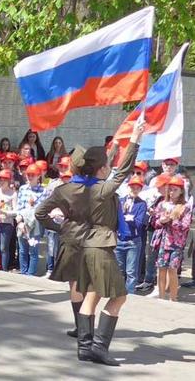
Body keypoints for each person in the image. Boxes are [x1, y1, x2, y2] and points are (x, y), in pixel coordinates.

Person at [72, 121, 143, 366]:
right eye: (107, 165)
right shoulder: (101, 189)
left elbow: (112, 167)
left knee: (91, 296)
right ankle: (99, 347)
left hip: (86, 246)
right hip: (101, 248)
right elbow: (122, 171)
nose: (110, 167)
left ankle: (84, 348)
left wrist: (111, 150)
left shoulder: (81, 186)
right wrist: (135, 139)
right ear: (102, 169)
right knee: (119, 297)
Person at [150, 176, 191, 301]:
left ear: (181, 191)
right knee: (161, 268)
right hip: (163, 241)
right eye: (170, 189)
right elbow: (155, 223)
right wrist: (161, 221)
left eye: (175, 190)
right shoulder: (162, 204)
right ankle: (162, 296)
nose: (172, 192)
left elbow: (185, 226)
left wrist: (171, 220)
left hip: (176, 243)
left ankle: (173, 298)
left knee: (172, 270)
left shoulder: (185, 206)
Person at [115, 175, 147, 294]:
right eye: (132, 187)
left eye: (137, 188)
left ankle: (131, 294)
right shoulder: (121, 201)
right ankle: (118, 292)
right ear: (128, 187)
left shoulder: (141, 204)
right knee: (118, 269)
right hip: (120, 239)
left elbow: (139, 223)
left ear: (140, 189)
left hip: (133, 240)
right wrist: (123, 213)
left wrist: (130, 218)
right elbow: (115, 218)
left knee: (131, 271)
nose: (134, 189)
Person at [15, 164, 45, 276]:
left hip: (35, 224)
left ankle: (30, 275)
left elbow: (42, 209)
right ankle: (23, 273)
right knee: (22, 250)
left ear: (38, 176)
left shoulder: (43, 191)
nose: (30, 177)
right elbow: (19, 207)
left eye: (33, 175)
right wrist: (20, 222)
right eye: (28, 175)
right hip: (23, 222)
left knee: (33, 250)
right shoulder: (23, 188)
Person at [0, 169, 18, 272]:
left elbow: (15, 211)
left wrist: (6, 213)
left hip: (7, 223)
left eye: (4, 179)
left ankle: (4, 269)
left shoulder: (13, 194)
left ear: (9, 180)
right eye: (0, 179)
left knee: (4, 247)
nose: (1, 181)